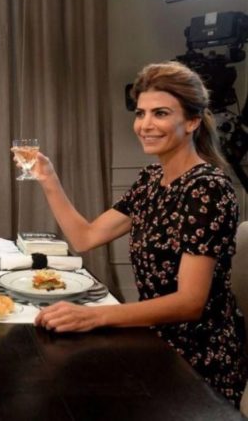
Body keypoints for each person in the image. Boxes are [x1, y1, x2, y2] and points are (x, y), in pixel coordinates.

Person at [23, 61, 246, 406]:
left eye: (160, 113)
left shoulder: (208, 188)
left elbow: (189, 302)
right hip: (152, 339)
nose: (145, 125)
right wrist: (48, 178)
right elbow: (85, 237)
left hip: (197, 360)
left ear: (192, 121)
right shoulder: (150, 181)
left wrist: (93, 316)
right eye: (141, 113)